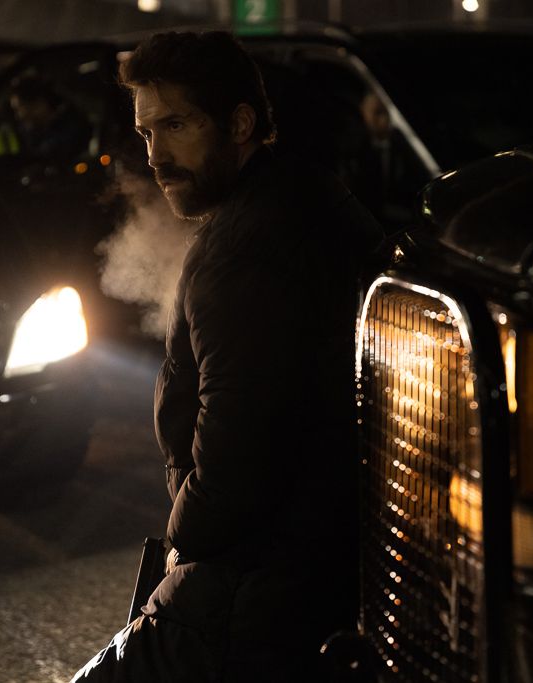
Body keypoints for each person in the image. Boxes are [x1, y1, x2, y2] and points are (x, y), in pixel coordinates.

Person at [71, 31, 382, 682]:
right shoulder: (306, 196)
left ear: (240, 122)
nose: (157, 157)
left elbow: (233, 463)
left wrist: (185, 544)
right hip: (317, 570)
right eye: (147, 133)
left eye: (176, 125)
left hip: (254, 590)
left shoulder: (241, 252)